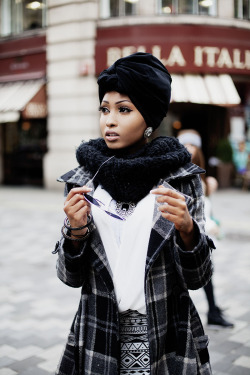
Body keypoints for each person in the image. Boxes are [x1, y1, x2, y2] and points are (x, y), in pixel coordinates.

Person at [53, 53, 215, 375]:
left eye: (123, 110)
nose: (109, 121)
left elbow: (198, 278)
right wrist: (75, 231)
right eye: (104, 109)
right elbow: (70, 278)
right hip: (100, 333)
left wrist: (187, 230)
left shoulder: (181, 180)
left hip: (167, 335)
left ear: (149, 120)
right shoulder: (84, 180)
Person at [178, 129, 234, 329]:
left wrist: (214, 224)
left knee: (207, 272)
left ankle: (213, 310)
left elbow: (207, 209)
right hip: (191, 234)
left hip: (206, 234)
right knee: (196, 274)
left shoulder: (205, 180)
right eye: (184, 145)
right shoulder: (178, 177)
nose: (189, 149)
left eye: (192, 145)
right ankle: (211, 311)